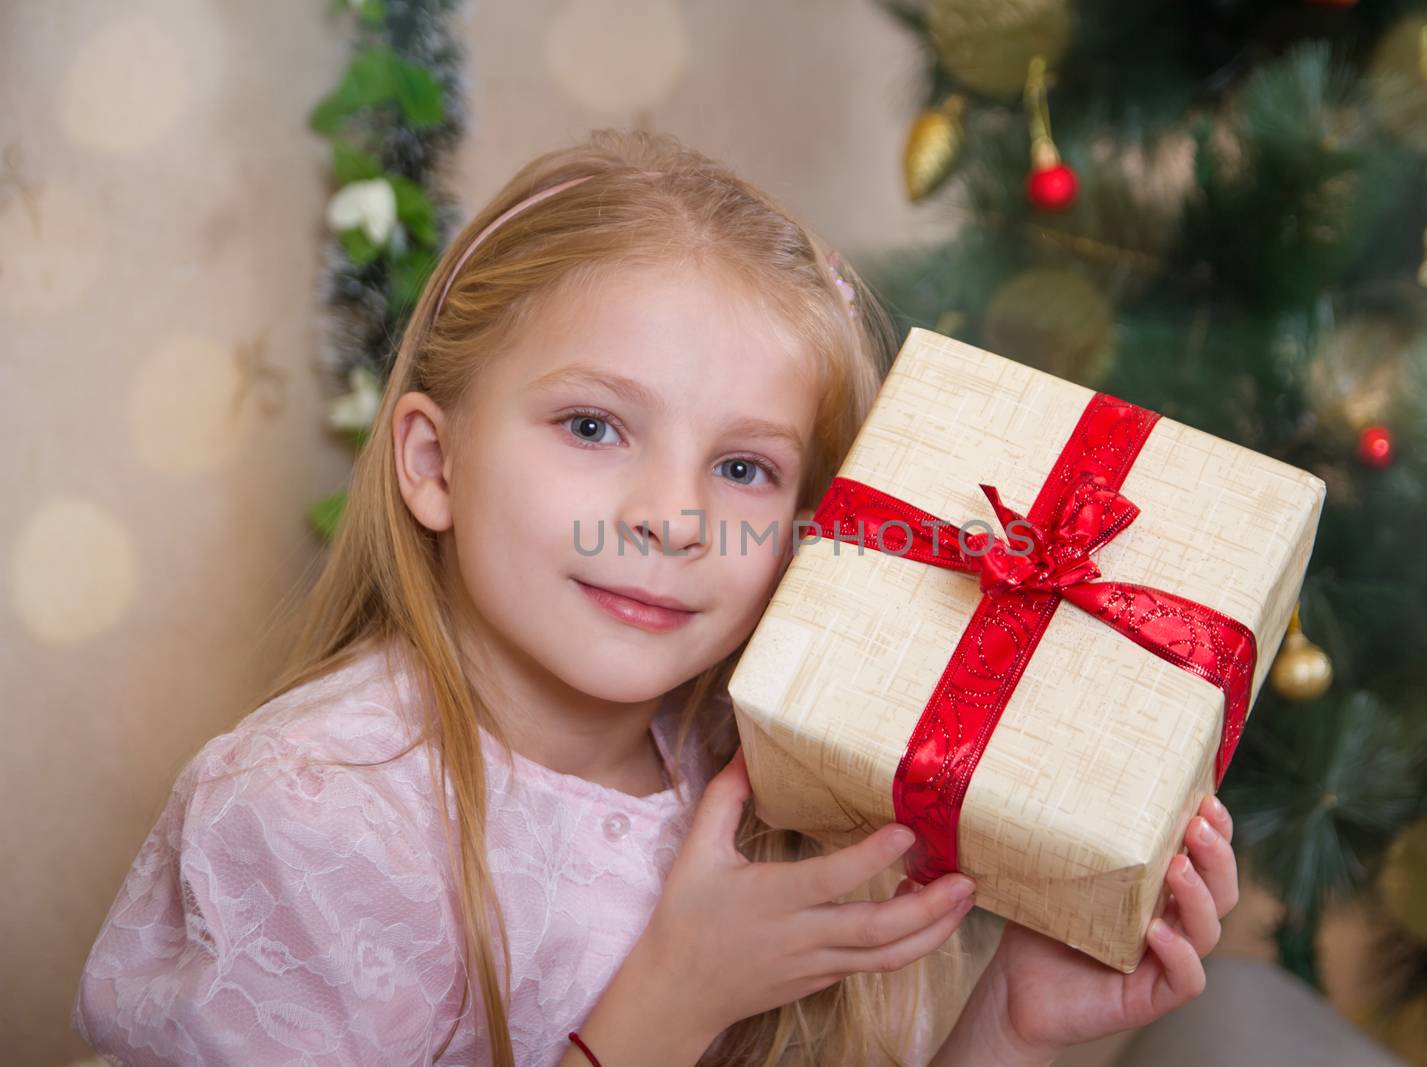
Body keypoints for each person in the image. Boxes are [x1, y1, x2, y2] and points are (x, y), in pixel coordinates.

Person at [70, 128, 1239, 1067]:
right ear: (431, 463)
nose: (672, 516)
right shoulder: (311, 813)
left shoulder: (774, 784)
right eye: (592, 425)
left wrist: (1013, 1024)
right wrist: (667, 1002)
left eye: (744, 468)